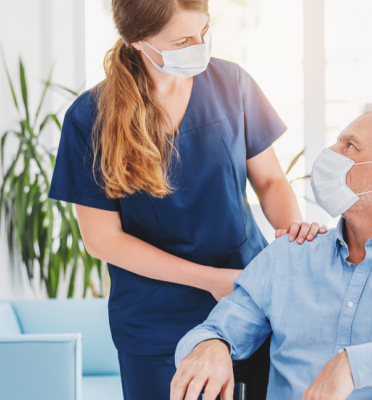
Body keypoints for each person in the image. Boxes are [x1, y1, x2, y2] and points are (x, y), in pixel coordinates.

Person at [48, 1, 324, 399]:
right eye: (183, 41)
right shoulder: (90, 117)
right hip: (156, 318)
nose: (200, 46)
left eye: (204, 31)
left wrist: (289, 237)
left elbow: (271, 180)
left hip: (246, 301)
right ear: (139, 40)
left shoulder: (233, 84)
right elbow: (102, 240)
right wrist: (210, 280)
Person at [171, 102, 372, 400]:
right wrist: (210, 346)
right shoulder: (290, 254)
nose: (331, 152)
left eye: (350, 145)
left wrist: (355, 365)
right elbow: (215, 330)